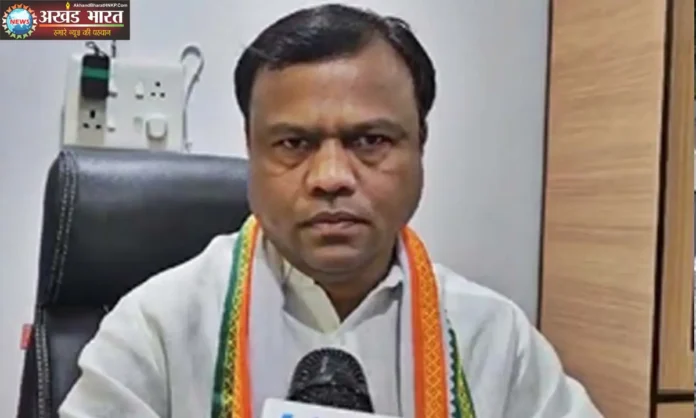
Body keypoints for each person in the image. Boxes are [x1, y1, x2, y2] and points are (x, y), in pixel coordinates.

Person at [59, 4, 603, 418]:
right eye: (294, 144)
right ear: (251, 151)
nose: (331, 177)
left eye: (370, 140)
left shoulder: (493, 339)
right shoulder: (156, 328)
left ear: (420, 146)